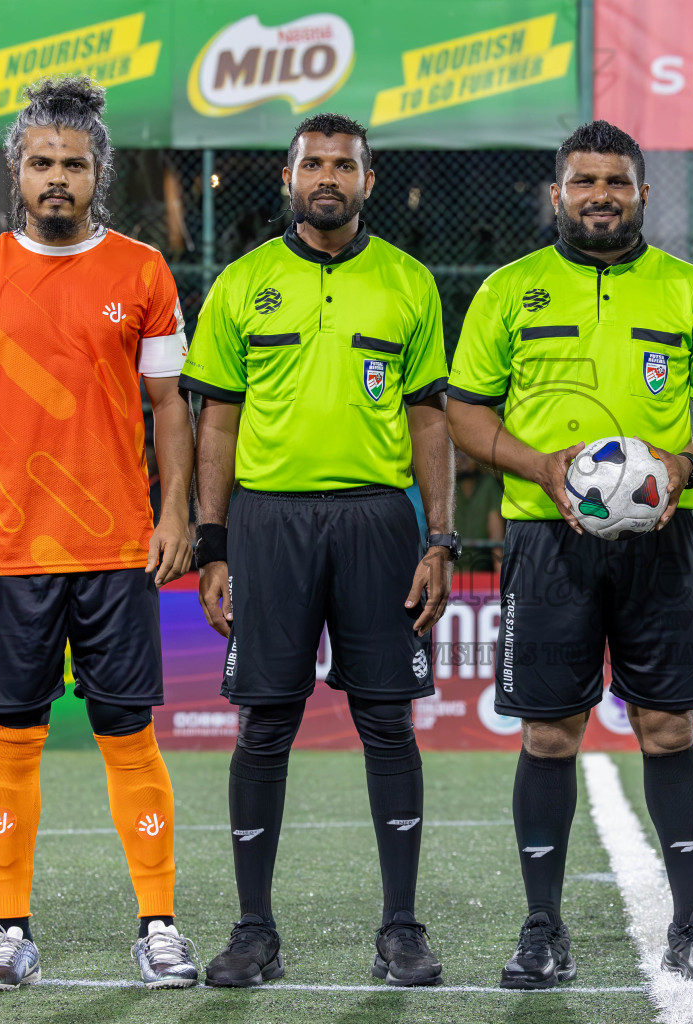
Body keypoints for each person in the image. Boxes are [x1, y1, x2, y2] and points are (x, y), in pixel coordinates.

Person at [447, 121, 693, 990]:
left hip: (661, 539)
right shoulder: (511, 291)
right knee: (549, 732)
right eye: (583, 181)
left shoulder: (688, 292)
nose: (600, 195)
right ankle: (542, 928)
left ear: (643, 194)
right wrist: (540, 467)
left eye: (616, 180)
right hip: (548, 542)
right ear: (557, 194)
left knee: (668, 726)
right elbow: (467, 410)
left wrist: (685, 465)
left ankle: (691, 924)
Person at [0, 78, 198, 992]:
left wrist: (175, 515)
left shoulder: (143, 272)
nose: (56, 179)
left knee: (129, 737)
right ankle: (10, 932)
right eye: (40, 163)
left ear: (98, 173)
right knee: (13, 741)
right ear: (17, 171)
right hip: (7, 550)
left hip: (118, 548)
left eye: (72, 165)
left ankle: (158, 926)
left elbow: (171, 408)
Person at [182, 112, 454, 989]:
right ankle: (254, 931)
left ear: (369, 181)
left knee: (386, 723)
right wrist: (212, 544)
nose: (328, 176)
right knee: (265, 726)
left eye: (345, 164)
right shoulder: (242, 282)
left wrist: (440, 536)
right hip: (268, 525)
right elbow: (215, 420)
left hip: (378, 521)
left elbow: (428, 419)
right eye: (314, 163)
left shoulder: (409, 284)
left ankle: (401, 931)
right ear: (289, 177)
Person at [454, 449, 504, 574]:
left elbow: (496, 532)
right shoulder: (447, 487)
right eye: (458, 453)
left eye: (467, 453)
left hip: (481, 568)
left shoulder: (488, 485)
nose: (463, 458)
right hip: (451, 568)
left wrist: (499, 568)